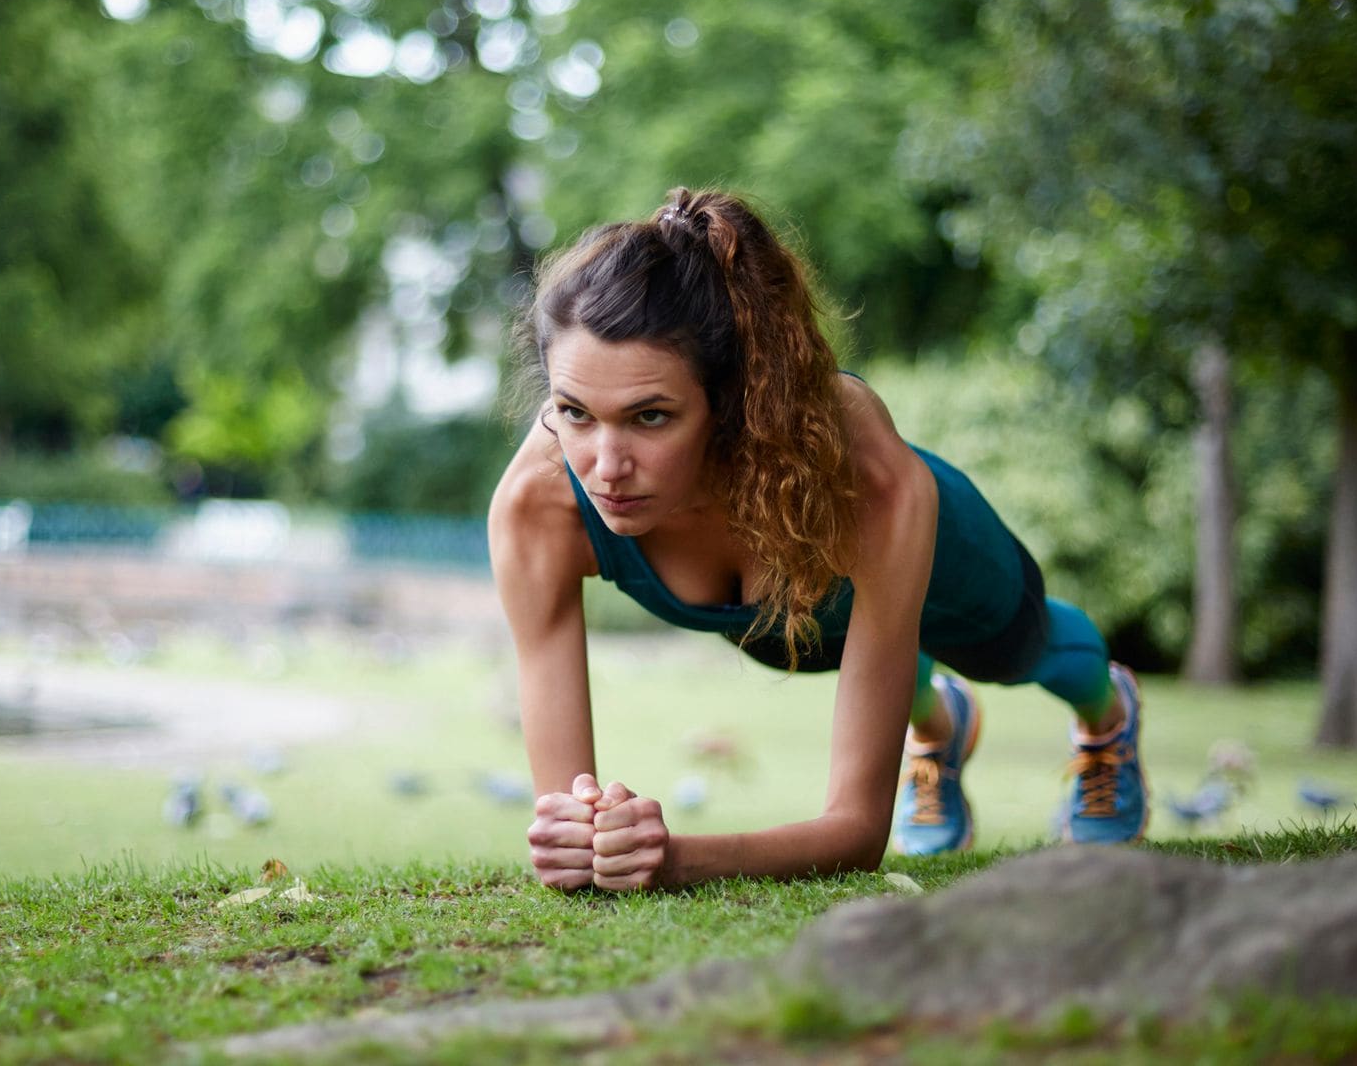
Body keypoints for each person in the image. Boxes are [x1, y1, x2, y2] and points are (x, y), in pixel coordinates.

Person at [490, 188, 1147, 893]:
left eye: (650, 417)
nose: (605, 466)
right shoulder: (539, 504)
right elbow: (565, 808)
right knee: (842, 653)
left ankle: (1107, 716)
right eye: (574, 412)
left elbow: (857, 835)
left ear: (734, 399)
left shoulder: (874, 481)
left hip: (945, 560)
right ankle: (937, 725)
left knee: (1026, 650)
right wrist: (580, 839)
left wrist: (674, 857)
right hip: (793, 627)